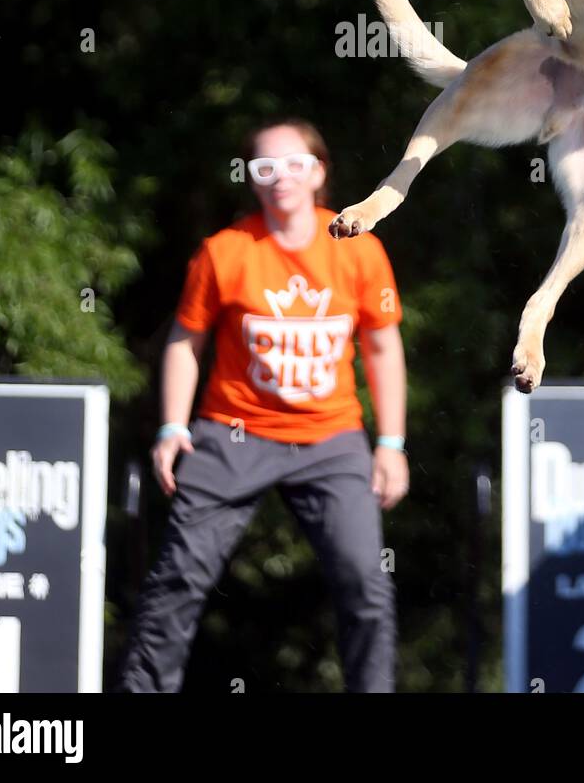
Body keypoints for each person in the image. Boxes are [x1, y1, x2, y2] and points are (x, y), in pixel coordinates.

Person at [116, 117, 408, 693]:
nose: (281, 178)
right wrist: (173, 426)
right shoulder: (225, 253)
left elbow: (381, 346)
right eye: (264, 167)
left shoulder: (359, 249)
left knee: (365, 584)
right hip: (233, 433)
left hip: (332, 438)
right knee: (178, 575)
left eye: (295, 164)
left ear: (319, 171)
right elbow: (185, 341)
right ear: (250, 179)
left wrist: (392, 444)